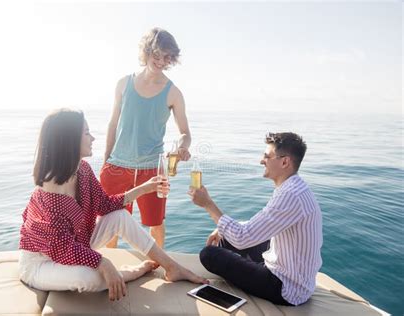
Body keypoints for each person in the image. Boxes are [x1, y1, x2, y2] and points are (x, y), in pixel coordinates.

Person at [18, 108, 206, 301]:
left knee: (120, 216)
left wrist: (144, 188)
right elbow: (61, 250)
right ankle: (130, 273)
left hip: (77, 243)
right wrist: (104, 263)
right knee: (88, 277)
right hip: (42, 263)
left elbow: (105, 205)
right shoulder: (49, 195)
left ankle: (171, 267)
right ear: (70, 140)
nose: (92, 138)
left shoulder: (82, 169)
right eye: (86, 133)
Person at [188, 132, 322, 306]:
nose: (261, 160)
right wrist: (222, 229)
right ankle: (250, 266)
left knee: (209, 255)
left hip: (287, 288)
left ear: (284, 162)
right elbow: (257, 228)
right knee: (225, 240)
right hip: (296, 271)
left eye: (267, 156)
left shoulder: (290, 195)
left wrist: (208, 204)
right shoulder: (295, 187)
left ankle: (251, 270)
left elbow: (242, 238)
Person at [101, 27, 192, 248]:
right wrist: (105, 161)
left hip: (152, 168)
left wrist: (181, 147)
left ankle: (157, 267)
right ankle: (110, 272)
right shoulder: (123, 84)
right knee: (110, 224)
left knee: (156, 223)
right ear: (147, 52)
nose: (160, 62)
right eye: (157, 55)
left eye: (167, 57)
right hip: (117, 166)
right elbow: (113, 124)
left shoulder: (174, 93)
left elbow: (185, 134)